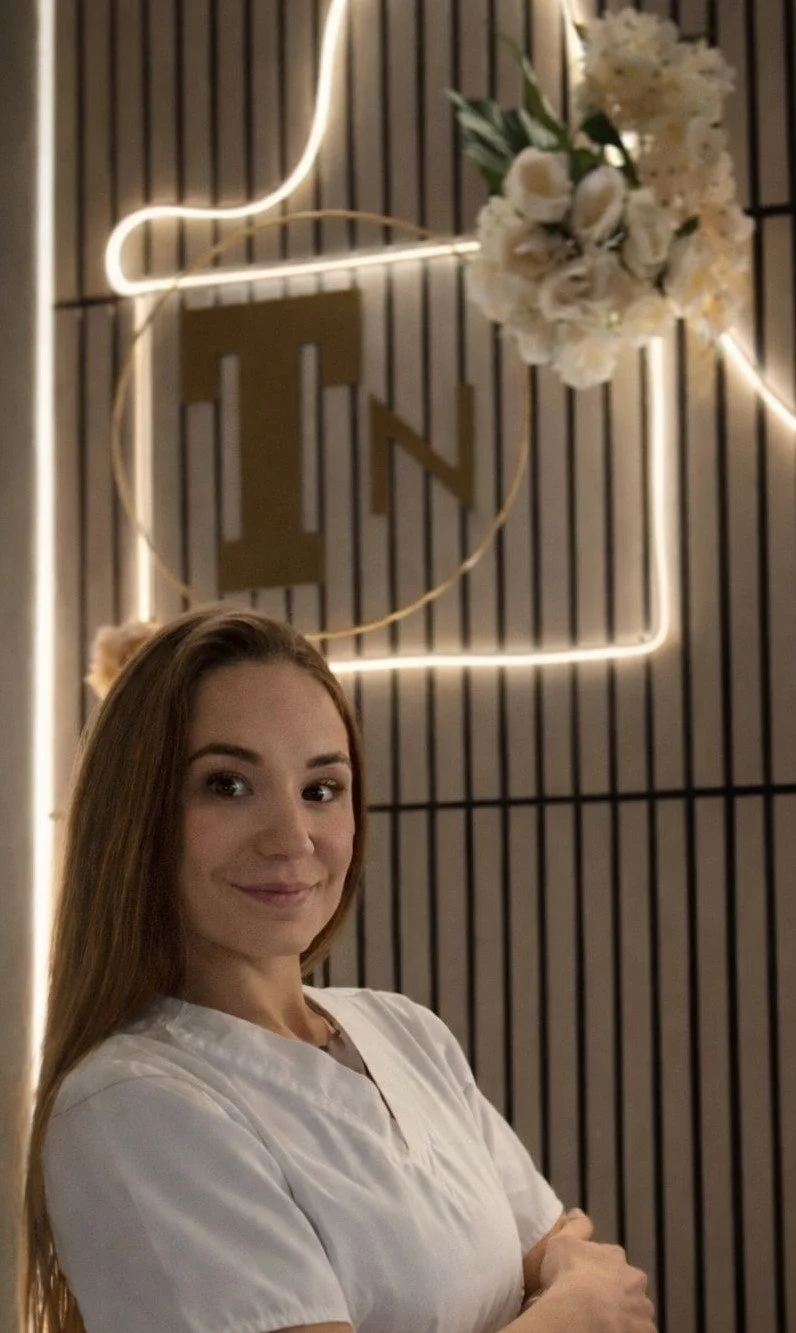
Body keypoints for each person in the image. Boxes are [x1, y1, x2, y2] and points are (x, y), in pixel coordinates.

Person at [18, 606, 656, 1333]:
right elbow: (590, 1290)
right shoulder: (132, 1103)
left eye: (321, 789)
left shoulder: (406, 1031)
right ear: (138, 812)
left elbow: (568, 1250)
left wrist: (571, 1284)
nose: (292, 838)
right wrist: (570, 1313)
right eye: (227, 784)